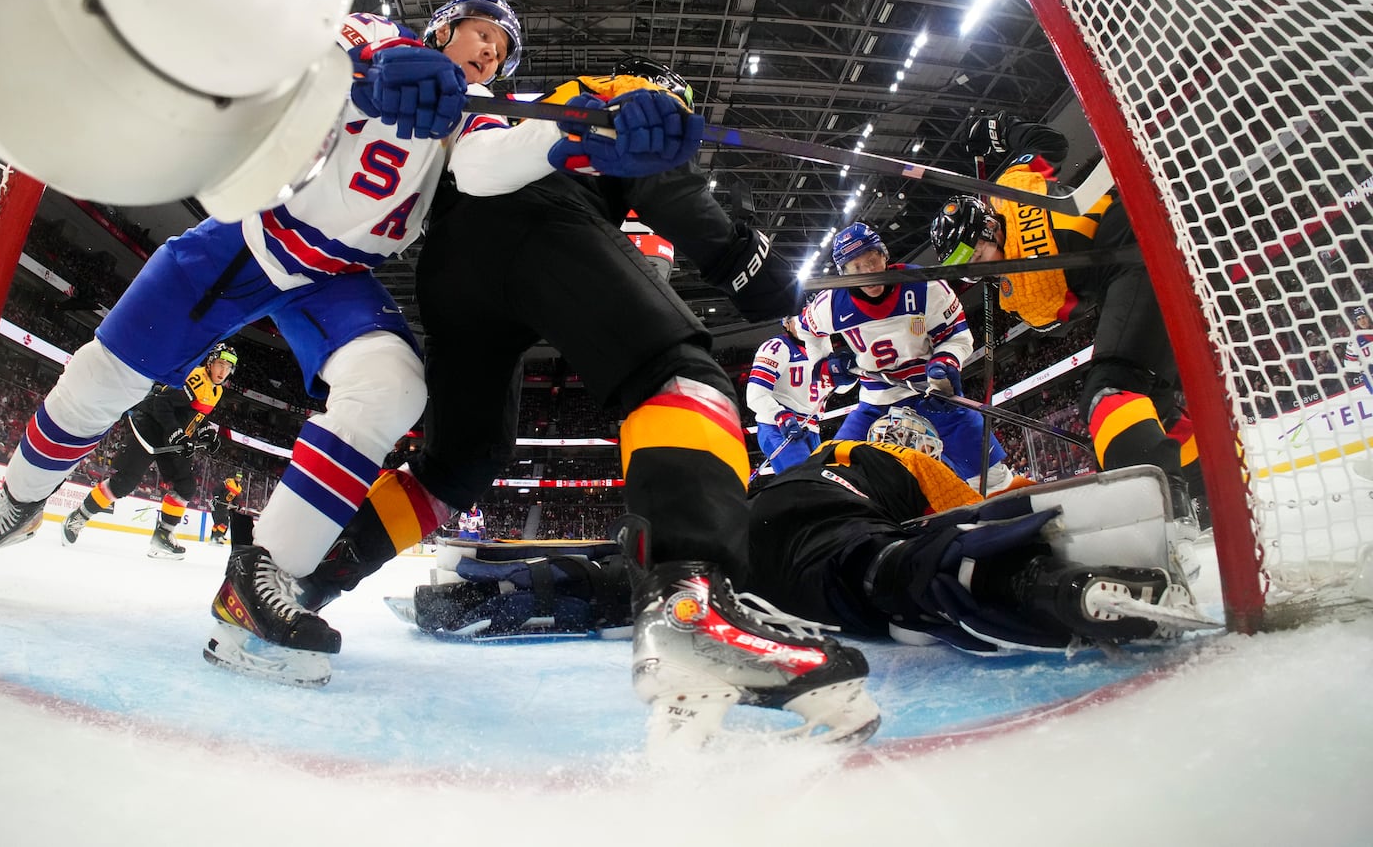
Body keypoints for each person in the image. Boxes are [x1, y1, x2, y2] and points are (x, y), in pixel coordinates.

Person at [0, 0, 573, 686]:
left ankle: (256, 583)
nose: (489, 52)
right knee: (106, 375)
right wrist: (379, 70)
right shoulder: (379, 36)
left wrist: (568, 138)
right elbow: (313, 49)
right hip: (249, 235)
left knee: (392, 386)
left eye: (500, 51)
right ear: (445, 27)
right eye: (483, 35)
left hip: (336, 276)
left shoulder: (476, 113)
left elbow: (493, 158)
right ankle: (19, 497)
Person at [293, 56, 881, 746]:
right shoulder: (624, 94)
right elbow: (667, 182)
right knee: (679, 376)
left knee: (456, 466)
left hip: (453, 265)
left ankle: (307, 578)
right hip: (535, 222)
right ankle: (691, 612)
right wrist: (747, 267)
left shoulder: (532, 106)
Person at [405, 405, 1203, 654]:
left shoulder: (821, 451)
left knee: (646, 577)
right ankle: (1038, 586)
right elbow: (973, 507)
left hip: (747, 524)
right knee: (878, 570)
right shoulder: (908, 465)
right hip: (821, 536)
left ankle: (496, 588)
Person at [928, 111, 1203, 525]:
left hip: (1138, 237)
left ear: (987, 228)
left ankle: (1156, 506)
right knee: (1153, 403)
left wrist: (998, 129)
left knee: (1110, 387)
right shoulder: (1016, 293)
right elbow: (1054, 321)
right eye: (969, 271)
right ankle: (1206, 489)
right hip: (1136, 272)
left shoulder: (1014, 190)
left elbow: (1049, 143)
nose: (981, 272)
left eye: (977, 258)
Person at [801, 222, 1017, 491]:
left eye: (872, 260)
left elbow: (958, 335)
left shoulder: (924, 286)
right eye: (857, 267)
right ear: (843, 272)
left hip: (932, 393)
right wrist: (825, 364)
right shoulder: (830, 304)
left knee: (991, 477)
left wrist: (946, 361)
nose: (869, 271)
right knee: (833, 475)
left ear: (884, 254)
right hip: (875, 399)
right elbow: (806, 329)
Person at [58, 343, 238, 559]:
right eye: (220, 364)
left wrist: (206, 431)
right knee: (123, 484)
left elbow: (192, 414)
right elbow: (162, 402)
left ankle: (162, 536)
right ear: (210, 363)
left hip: (170, 438)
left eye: (228, 368)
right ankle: (78, 517)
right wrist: (175, 432)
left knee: (186, 486)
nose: (223, 371)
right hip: (149, 429)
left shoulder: (215, 389)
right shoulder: (197, 378)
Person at [746, 314, 846, 474]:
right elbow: (755, 395)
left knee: (820, 486)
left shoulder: (822, 346)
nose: (803, 324)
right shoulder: (776, 347)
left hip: (811, 428)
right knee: (804, 483)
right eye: (797, 319)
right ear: (786, 323)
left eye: (807, 318)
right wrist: (780, 416)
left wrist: (848, 376)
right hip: (778, 428)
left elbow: (833, 389)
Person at [209, 473, 243, 544]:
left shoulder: (239, 488)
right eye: (237, 476)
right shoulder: (229, 481)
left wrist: (237, 505)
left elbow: (235, 499)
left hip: (224, 505)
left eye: (239, 477)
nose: (238, 478)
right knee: (224, 522)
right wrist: (216, 496)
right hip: (218, 503)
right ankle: (217, 537)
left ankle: (213, 537)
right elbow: (218, 488)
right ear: (235, 476)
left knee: (218, 522)